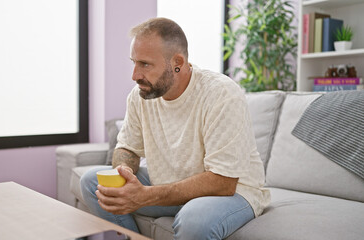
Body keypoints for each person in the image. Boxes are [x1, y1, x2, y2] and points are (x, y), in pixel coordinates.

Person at [81, 17, 270, 240]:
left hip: (235, 192)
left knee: (193, 221)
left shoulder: (221, 94)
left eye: (145, 64)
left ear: (177, 62)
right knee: (92, 182)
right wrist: (125, 177)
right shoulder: (139, 96)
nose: (135, 75)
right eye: (134, 62)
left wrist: (145, 196)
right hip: (169, 183)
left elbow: (223, 182)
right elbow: (127, 149)